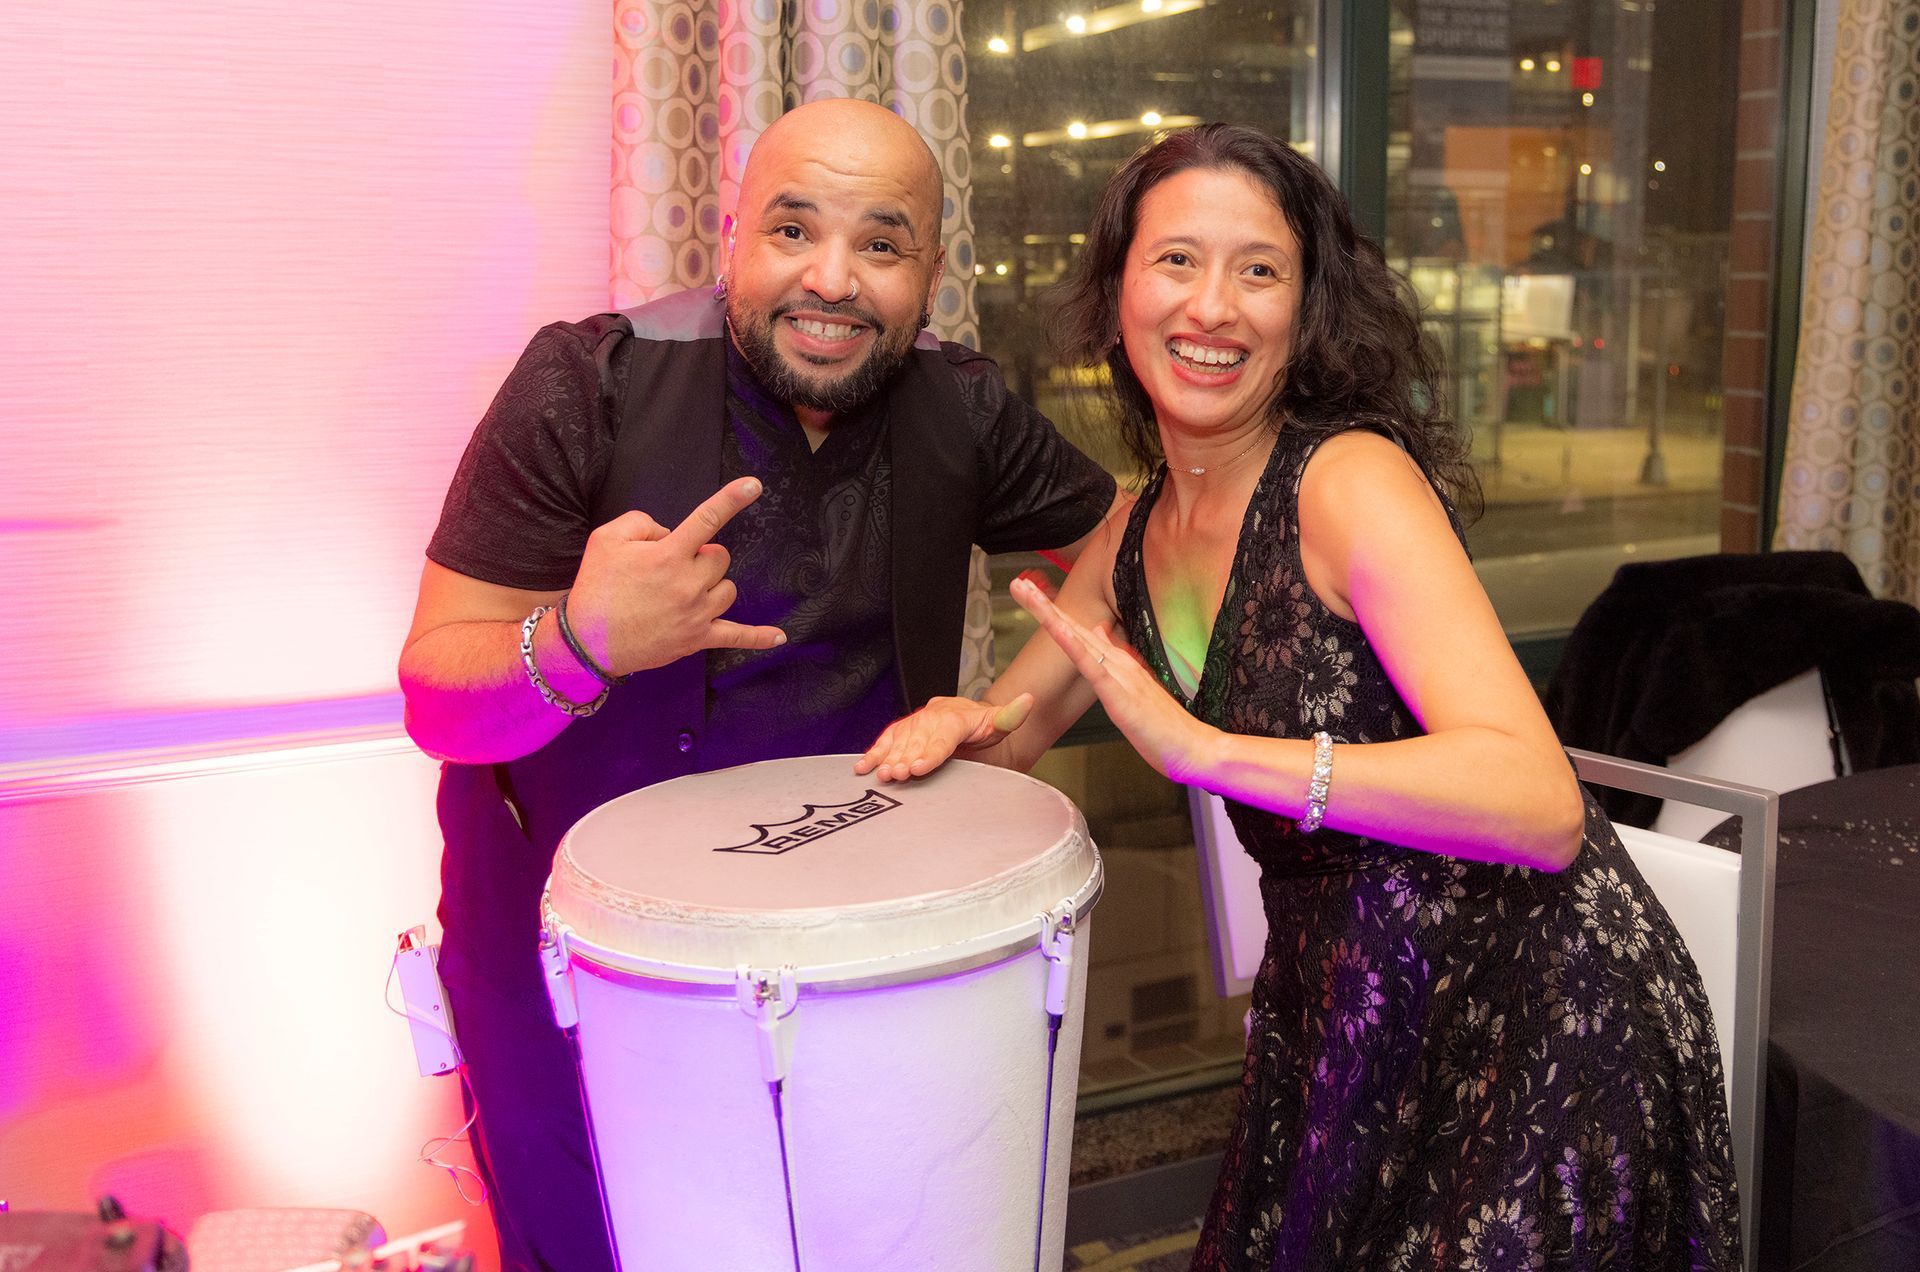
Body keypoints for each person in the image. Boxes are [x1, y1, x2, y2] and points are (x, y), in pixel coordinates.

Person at [857, 123, 1740, 1269]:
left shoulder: (1346, 483)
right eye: (1176, 259)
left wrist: (1210, 753)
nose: (1212, 307)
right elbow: (1013, 733)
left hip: (1535, 1024)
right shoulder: (1132, 535)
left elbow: (1540, 799)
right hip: (1347, 1027)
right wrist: (960, 728)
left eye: (1258, 270)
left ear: (1306, 308)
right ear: (1117, 287)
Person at [398, 97, 1116, 1272]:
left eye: (881, 245)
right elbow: (435, 693)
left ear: (931, 268)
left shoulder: (962, 405)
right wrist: (580, 640)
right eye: (793, 231)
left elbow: (1134, 552)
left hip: (858, 963)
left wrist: (1009, 722)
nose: (832, 279)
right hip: (587, 981)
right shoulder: (590, 381)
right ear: (731, 234)